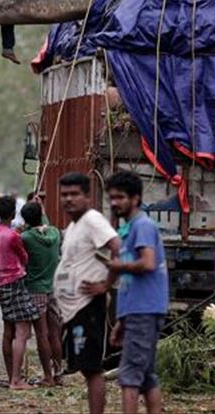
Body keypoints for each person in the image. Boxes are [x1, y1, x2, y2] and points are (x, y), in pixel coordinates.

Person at [54, 172, 120, 414]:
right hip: (75, 308)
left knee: (92, 369)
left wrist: (106, 284)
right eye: (64, 195)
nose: (68, 199)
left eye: (74, 194)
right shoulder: (74, 225)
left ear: (87, 197)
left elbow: (117, 247)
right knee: (84, 367)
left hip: (88, 305)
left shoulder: (93, 220)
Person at [106, 171, 169, 414]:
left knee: (130, 375)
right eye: (112, 197)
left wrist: (116, 266)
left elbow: (148, 263)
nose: (114, 203)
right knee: (146, 376)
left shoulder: (143, 226)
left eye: (120, 197)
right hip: (137, 310)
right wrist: (121, 320)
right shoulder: (129, 229)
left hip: (145, 309)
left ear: (135, 198)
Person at [0, 196, 37, 390]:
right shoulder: (14, 236)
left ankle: (12, 376)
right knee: (23, 331)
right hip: (16, 281)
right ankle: (16, 380)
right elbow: (24, 258)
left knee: (8, 330)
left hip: (2, 283)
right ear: (12, 214)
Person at [19, 200, 62, 386]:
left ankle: (48, 377)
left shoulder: (25, 237)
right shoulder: (55, 233)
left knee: (42, 335)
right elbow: (44, 222)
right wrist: (41, 209)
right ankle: (59, 374)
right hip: (53, 289)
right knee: (55, 334)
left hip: (35, 289)